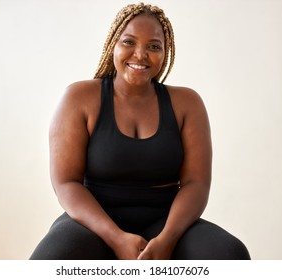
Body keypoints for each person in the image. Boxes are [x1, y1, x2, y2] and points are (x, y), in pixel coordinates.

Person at [30, 3, 250, 260]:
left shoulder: (187, 103)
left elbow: (196, 183)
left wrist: (167, 239)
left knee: (231, 254)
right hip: (93, 222)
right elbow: (66, 183)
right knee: (49, 262)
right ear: (113, 44)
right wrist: (116, 238)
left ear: (165, 52)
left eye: (154, 46)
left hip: (166, 222)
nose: (140, 55)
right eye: (129, 42)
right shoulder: (78, 98)